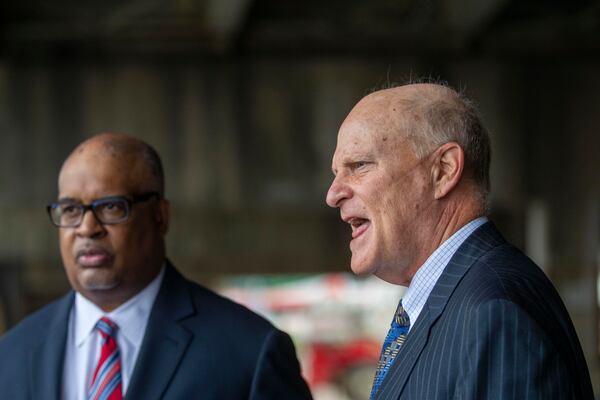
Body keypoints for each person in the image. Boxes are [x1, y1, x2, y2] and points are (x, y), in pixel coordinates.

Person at [326, 83, 594, 399]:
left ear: (444, 170)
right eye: (335, 173)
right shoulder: (461, 300)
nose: (333, 194)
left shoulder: (495, 312)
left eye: (359, 166)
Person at [0, 133, 313, 400]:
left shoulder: (250, 352)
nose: (86, 227)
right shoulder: (11, 356)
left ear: (160, 216)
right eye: (70, 210)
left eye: (110, 207)